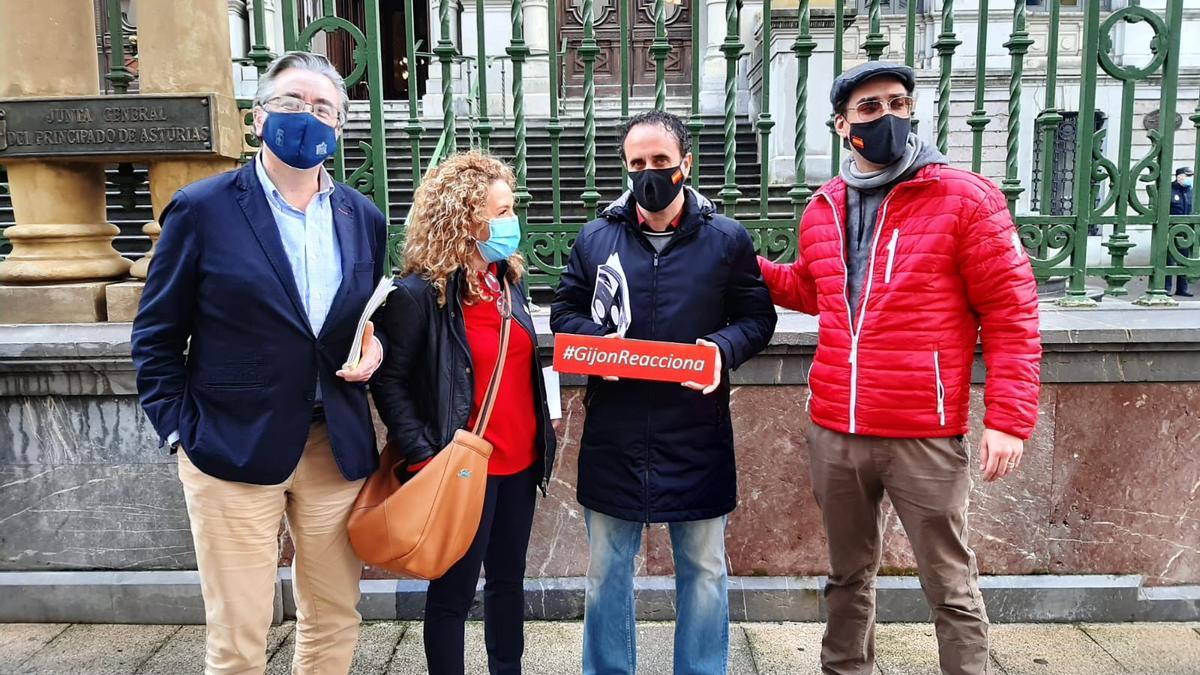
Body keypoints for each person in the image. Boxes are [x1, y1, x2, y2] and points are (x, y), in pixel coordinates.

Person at [757, 62, 1041, 675]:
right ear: (842, 126)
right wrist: (741, 259)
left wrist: (1008, 420)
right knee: (846, 577)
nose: (885, 115)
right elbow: (817, 290)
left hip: (923, 431)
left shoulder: (965, 198)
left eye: (897, 102)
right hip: (837, 428)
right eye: (868, 107)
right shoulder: (823, 206)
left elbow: (1013, 313)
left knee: (949, 583)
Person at [132, 52, 389, 674]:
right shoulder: (203, 207)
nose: (308, 116)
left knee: (334, 617)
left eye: (323, 107)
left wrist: (375, 346)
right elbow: (157, 333)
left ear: (340, 126)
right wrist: (178, 433)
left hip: (335, 448)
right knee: (239, 633)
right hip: (229, 447)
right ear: (258, 117)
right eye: (293, 103)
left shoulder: (364, 218)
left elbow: (363, 317)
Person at [551, 110, 777, 675]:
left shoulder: (726, 239)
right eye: (636, 163)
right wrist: (597, 344)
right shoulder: (596, 236)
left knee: (703, 569)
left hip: (695, 430)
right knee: (607, 571)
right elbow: (565, 310)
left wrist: (719, 351)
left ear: (685, 165)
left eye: (659, 162)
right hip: (616, 434)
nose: (648, 173)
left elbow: (756, 318)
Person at [369, 151, 558, 675]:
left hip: (520, 463)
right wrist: (425, 456)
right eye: (500, 212)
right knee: (452, 592)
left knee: (507, 582)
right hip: (461, 470)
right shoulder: (417, 296)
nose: (511, 221)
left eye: (511, 208)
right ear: (463, 218)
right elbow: (389, 382)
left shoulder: (507, 282)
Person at [1166, 166, 1194, 297]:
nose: (1189, 179)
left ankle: (1182, 288)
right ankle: (1166, 288)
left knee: (1184, 259)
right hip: (1170, 229)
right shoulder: (1169, 190)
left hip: (1186, 231)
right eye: (1187, 176)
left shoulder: (1191, 192)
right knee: (1168, 260)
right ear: (1179, 177)